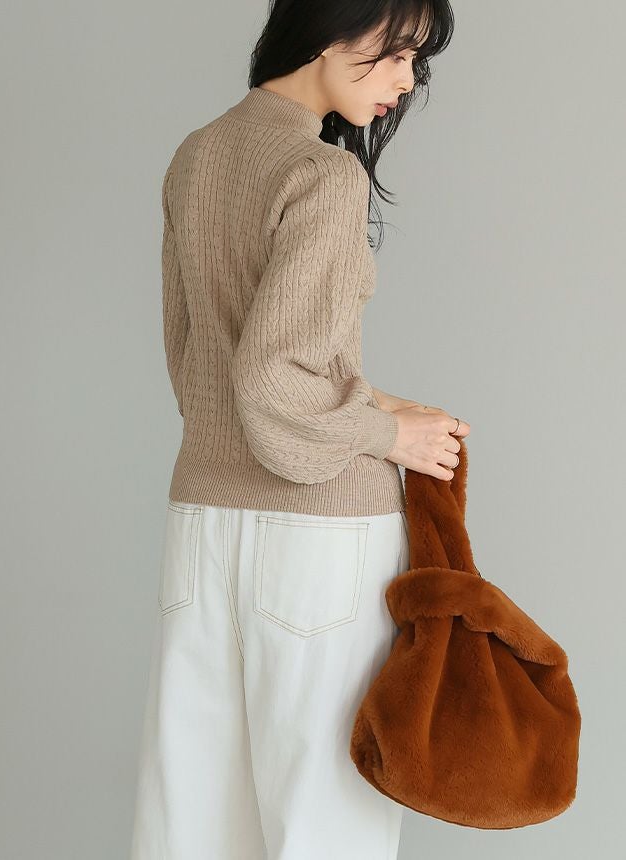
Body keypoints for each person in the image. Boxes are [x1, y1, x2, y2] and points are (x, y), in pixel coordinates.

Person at [131, 1, 467, 857]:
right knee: (326, 819)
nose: (406, 81)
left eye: (416, 63)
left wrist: (381, 404)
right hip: (320, 536)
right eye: (397, 54)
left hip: (203, 520)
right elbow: (272, 379)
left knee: (194, 814)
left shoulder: (197, 155)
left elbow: (205, 363)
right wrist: (389, 439)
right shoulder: (324, 175)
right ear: (331, 28)